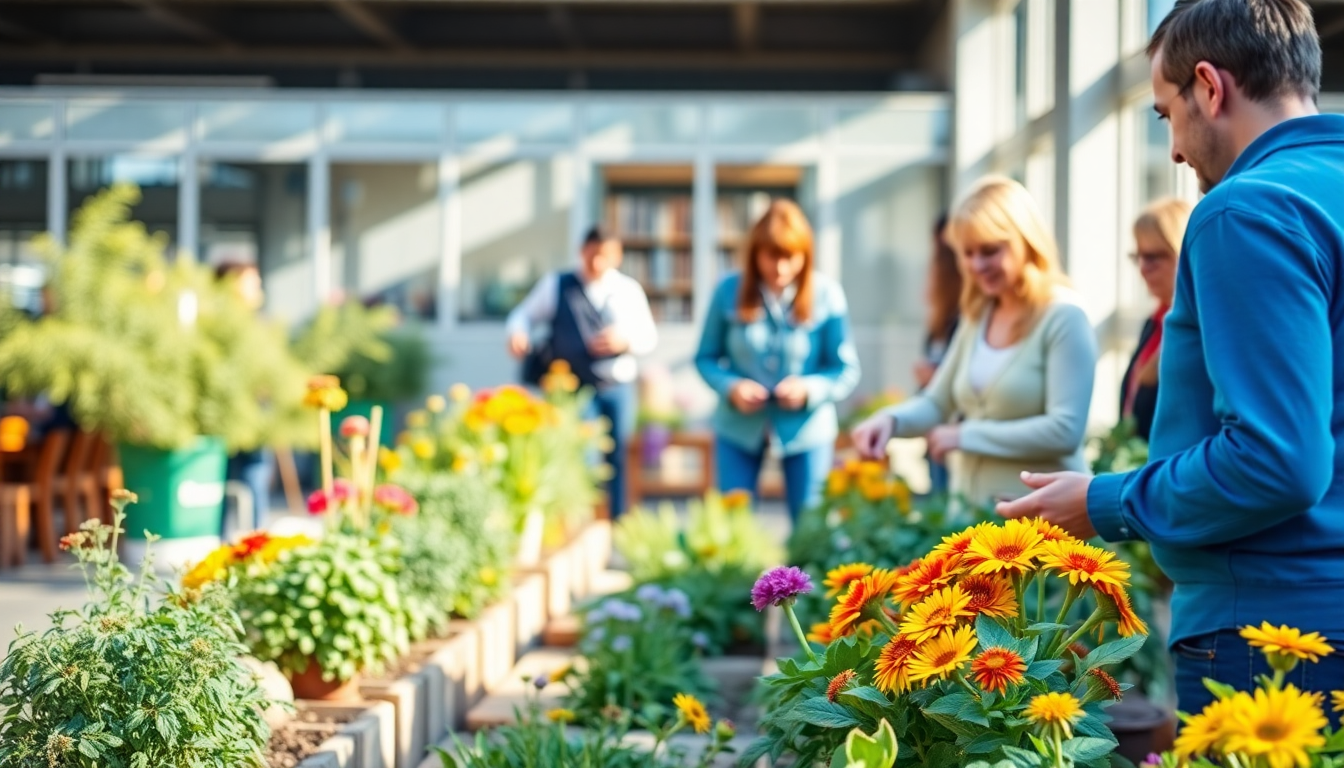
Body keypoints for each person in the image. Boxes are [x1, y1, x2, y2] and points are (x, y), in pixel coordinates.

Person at [996, 0, 1344, 717]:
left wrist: (1104, 502)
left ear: (1210, 88)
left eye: (1164, 116)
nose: (1177, 152)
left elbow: (1277, 459)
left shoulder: (1248, 209)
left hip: (1273, 628)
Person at [850, 176, 1096, 509]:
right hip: (971, 516)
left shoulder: (1064, 316)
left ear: (1025, 241)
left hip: (1044, 525)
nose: (977, 265)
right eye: (967, 253)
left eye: (990, 251)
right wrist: (890, 421)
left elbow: (1065, 430)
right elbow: (938, 402)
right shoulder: (978, 314)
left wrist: (965, 436)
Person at [695, 199, 860, 522]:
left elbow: (845, 369)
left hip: (807, 429)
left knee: (811, 527)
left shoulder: (827, 294)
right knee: (733, 528)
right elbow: (706, 357)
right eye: (772, 256)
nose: (781, 269)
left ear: (805, 255)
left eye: (790, 257)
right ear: (756, 253)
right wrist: (731, 387)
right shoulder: (728, 291)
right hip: (738, 426)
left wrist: (809, 388)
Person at [506, 226, 657, 519]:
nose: (597, 264)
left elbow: (649, 337)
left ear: (617, 255)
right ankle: (583, 520)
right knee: (581, 455)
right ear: (581, 251)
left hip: (616, 385)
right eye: (592, 256)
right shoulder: (557, 284)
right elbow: (523, 314)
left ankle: (617, 522)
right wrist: (518, 333)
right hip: (574, 387)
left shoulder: (628, 290)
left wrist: (625, 341)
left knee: (619, 456)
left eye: (604, 256)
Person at [1119, 198, 1192, 441]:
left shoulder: (1198, 329)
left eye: (1154, 257)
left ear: (1185, 254)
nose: (1143, 268)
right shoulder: (1154, 323)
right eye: (1138, 257)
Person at [215, 261, 272, 534]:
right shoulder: (219, 323)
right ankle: (227, 540)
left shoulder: (256, 321)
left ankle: (254, 539)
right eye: (252, 281)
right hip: (229, 411)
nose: (258, 288)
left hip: (256, 409)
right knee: (233, 477)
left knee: (253, 475)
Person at [915, 215, 963, 494]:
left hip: (957, 429)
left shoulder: (968, 316)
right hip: (942, 426)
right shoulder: (946, 314)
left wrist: (936, 376)